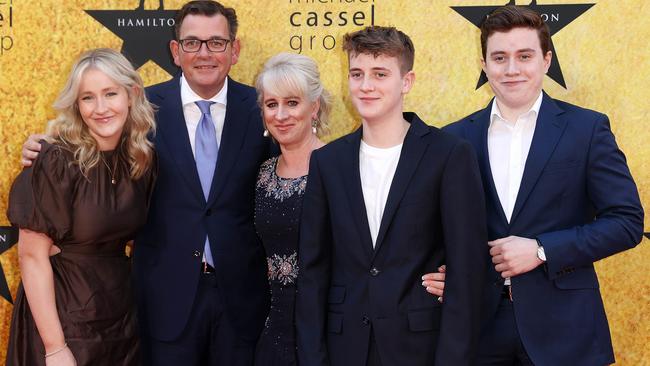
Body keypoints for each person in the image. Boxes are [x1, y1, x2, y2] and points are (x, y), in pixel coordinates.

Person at [20, 1, 274, 365]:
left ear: (235, 50)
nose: (204, 53)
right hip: (161, 302)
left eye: (216, 42)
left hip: (242, 301)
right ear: (175, 50)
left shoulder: (262, 108)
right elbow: (89, 144)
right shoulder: (140, 110)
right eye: (192, 42)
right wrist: (42, 147)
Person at [425, 5, 644, 365]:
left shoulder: (587, 129)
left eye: (524, 56)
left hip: (566, 330)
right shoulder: (454, 139)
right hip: (478, 332)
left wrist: (542, 249)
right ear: (484, 64)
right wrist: (446, 273)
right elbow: (440, 229)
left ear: (545, 60)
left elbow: (626, 222)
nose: (511, 69)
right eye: (500, 57)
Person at [295, 26, 487, 366]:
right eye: (357, 74)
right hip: (344, 348)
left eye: (380, 74)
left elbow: (467, 270)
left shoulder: (449, 155)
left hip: (420, 348)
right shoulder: (328, 161)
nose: (365, 85)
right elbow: (314, 271)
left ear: (407, 81)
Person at [6, 48, 157, 366]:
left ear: (131, 95)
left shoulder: (141, 160)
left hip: (118, 318)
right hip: (62, 317)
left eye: (110, 93)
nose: (100, 108)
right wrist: (55, 347)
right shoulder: (57, 159)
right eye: (88, 97)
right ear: (76, 104)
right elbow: (32, 256)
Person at [253, 52, 330, 366]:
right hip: (273, 329)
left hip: (326, 329)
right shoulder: (263, 173)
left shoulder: (339, 166)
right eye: (272, 105)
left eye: (292, 103)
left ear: (314, 107)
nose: (281, 115)